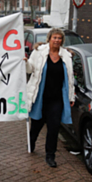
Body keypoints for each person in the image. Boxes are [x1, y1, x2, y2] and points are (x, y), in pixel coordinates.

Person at [24, 28, 75, 168]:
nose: (57, 40)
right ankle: (31, 142)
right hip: (40, 97)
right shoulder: (39, 52)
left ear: (62, 41)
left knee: (54, 128)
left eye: (59, 38)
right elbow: (30, 70)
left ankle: (50, 155)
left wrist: (71, 97)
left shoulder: (66, 57)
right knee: (36, 125)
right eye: (54, 38)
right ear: (49, 38)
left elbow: (70, 79)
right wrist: (25, 62)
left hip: (57, 100)